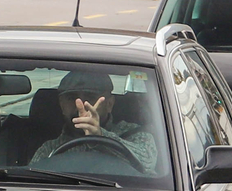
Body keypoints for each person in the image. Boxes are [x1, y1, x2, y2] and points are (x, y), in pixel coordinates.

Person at [31, 69, 161, 175]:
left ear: (109, 104)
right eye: (71, 98)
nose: (80, 105)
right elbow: (33, 180)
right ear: (61, 105)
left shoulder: (136, 134)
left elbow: (147, 163)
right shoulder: (49, 148)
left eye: (90, 97)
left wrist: (100, 136)